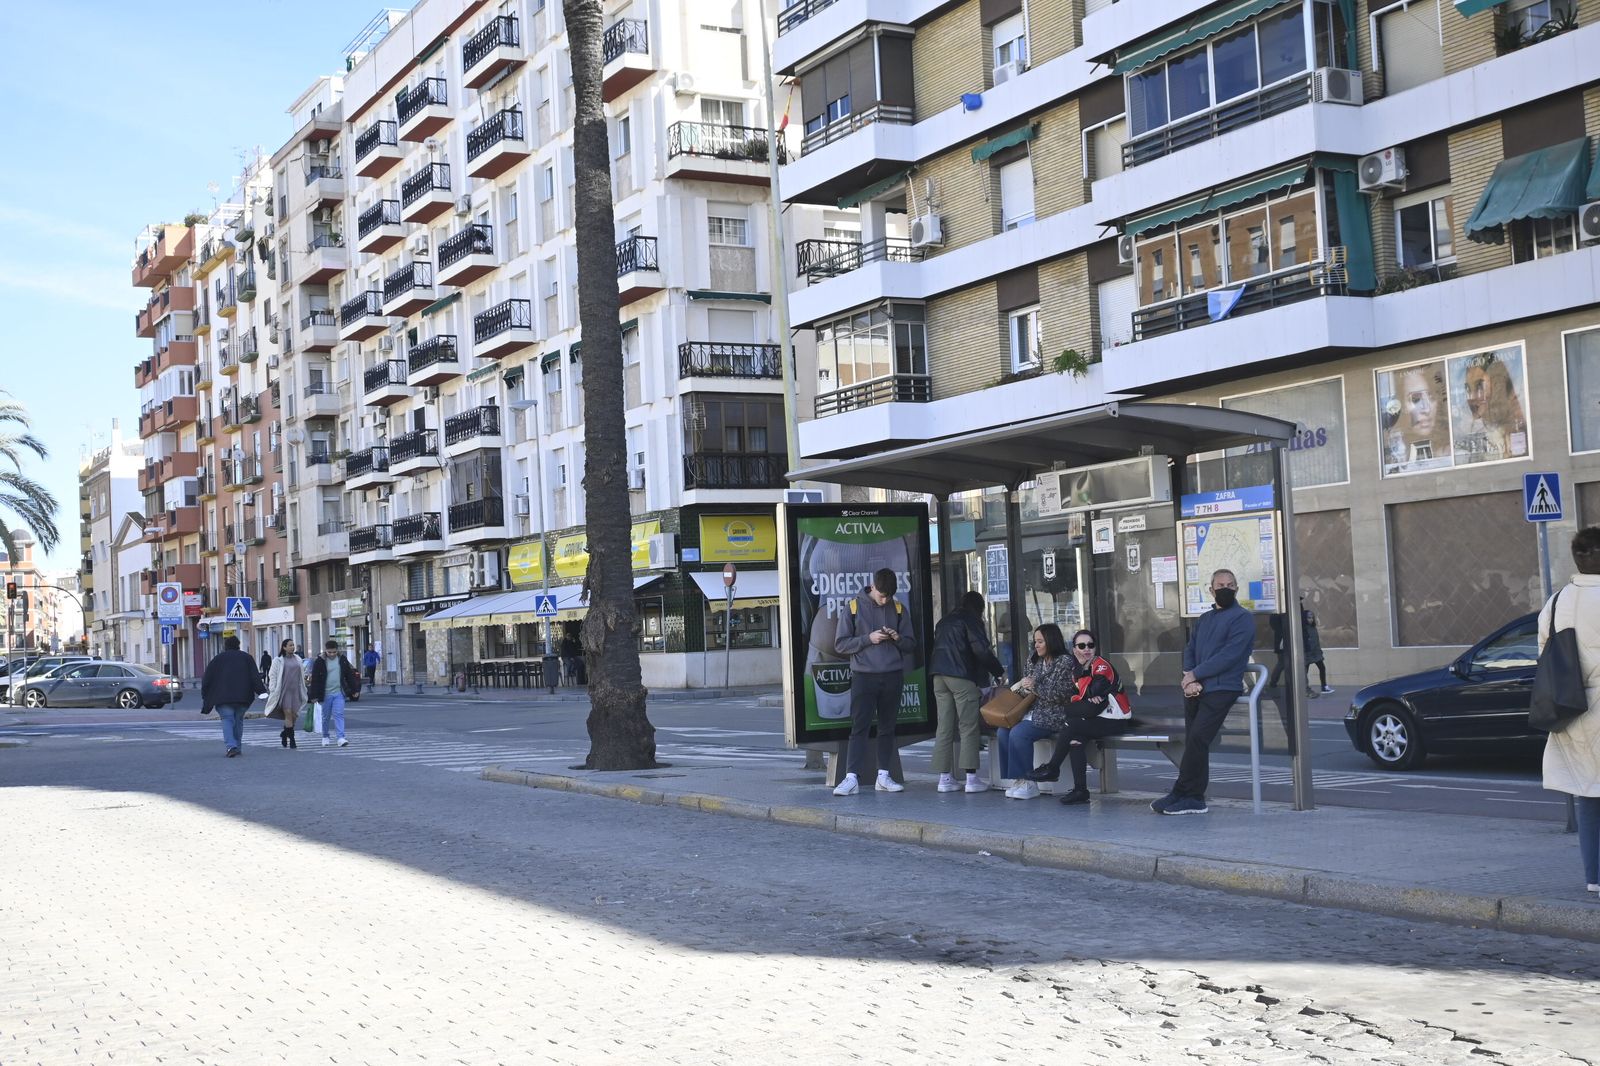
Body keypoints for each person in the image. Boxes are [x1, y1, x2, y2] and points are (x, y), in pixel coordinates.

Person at [1153, 569, 1255, 816]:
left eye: (1231, 585)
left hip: (1222, 688)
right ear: (1211, 589)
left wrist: (1195, 675)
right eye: (1220, 585)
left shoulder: (1242, 618)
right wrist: (1190, 678)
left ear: (1237, 589)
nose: (1226, 588)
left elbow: (1230, 655)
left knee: (1199, 738)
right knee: (1194, 742)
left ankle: (1183, 792)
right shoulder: (1205, 619)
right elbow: (1191, 648)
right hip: (1197, 688)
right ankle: (1192, 796)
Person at [1540, 526, 1600, 897]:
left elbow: (1544, 660)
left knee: (1588, 796)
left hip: (1574, 710)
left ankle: (1594, 878)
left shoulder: (1557, 603)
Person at [831, 568, 918, 796]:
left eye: (888, 596)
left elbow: (911, 644)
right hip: (863, 675)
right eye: (881, 595)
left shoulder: (898, 608)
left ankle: (884, 775)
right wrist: (868, 639)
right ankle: (851, 777)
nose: (885, 600)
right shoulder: (853, 607)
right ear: (872, 586)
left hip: (892, 675)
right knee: (859, 727)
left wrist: (898, 638)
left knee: (887, 728)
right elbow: (840, 644)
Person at [1026, 629, 1135, 804]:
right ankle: (1080, 790)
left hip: (1116, 719)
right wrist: (1083, 698)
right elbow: (1076, 697)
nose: (1086, 649)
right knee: (1075, 737)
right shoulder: (1079, 668)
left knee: (1071, 724)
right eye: (1081, 646)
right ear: (1075, 648)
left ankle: (1053, 767)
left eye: (1090, 645)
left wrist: (1083, 696)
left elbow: (1093, 691)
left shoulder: (1101, 665)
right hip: (1095, 718)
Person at [929, 590, 1006, 794]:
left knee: (944, 726)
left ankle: (944, 779)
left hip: (938, 676)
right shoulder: (971, 621)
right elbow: (981, 650)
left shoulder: (944, 622)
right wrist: (998, 671)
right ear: (978, 608)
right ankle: (971, 779)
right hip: (961, 677)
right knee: (968, 726)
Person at [999, 624, 1076, 800]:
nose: (1037, 645)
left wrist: (1034, 686)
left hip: (1054, 714)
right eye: (1035, 641)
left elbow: (1061, 694)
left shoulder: (1065, 661)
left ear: (1051, 641)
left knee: (1019, 733)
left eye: (1041, 641)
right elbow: (1027, 693)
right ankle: (1018, 779)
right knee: (1003, 730)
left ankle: (1029, 782)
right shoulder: (1033, 660)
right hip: (1030, 711)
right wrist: (1024, 686)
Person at [200, 635, 265, 758]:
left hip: (222, 697)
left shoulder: (217, 659)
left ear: (225, 646)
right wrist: (261, 692)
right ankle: (237, 746)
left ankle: (231, 746)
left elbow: (207, 679)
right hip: (243, 697)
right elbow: (255, 677)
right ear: (238, 645)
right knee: (238, 721)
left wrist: (205, 695)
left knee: (227, 720)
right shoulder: (247, 658)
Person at [307, 639, 360, 748]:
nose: (332, 654)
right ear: (325, 651)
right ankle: (325, 736)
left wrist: (354, 691)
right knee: (325, 717)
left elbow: (349, 676)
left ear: (337, 651)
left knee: (339, 714)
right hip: (325, 694)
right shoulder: (320, 661)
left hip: (338, 693)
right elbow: (315, 679)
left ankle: (341, 738)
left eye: (334, 652)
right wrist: (313, 696)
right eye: (329, 652)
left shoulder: (342, 660)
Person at [264, 638, 306, 749]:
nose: (292, 647)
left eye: (293, 645)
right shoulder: (278, 660)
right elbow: (272, 675)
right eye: (290, 645)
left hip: (296, 691)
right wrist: (272, 688)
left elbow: (301, 674)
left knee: (294, 716)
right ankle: (292, 740)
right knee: (288, 714)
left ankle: (284, 734)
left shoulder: (298, 659)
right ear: (284, 647)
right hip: (284, 691)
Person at [1301, 597, 1332, 697]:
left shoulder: (1313, 628)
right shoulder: (1304, 628)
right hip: (1308, 653)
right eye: (1308, 618)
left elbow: (1316, 641)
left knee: (1322, 668)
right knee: (1305, 671)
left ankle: (1324, 686)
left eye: (1311, 618)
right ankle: (1305, 688)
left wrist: (1319, 651)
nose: (1310, 619)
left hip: (1316, 653)